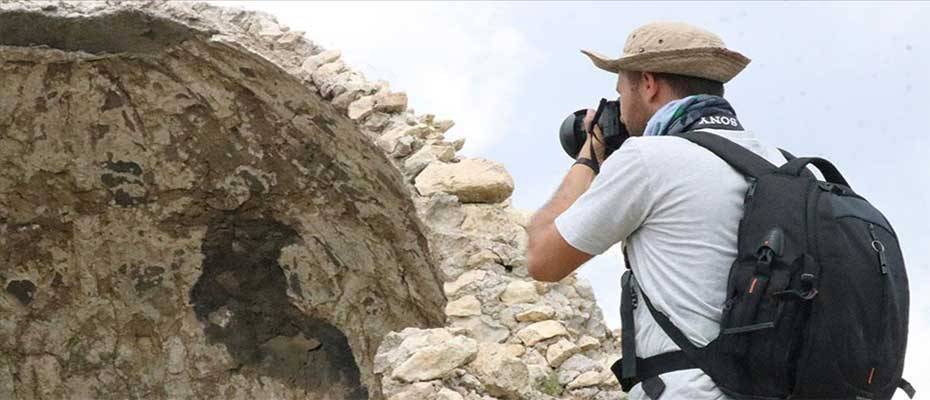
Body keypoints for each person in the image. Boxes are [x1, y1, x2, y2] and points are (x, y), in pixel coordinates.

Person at [526, 21, 789, 399]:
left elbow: (542, 259)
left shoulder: (649, 160)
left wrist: (590, 153)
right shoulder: (781, 163)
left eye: (620, 91)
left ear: (648, 84)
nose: (621, 107)